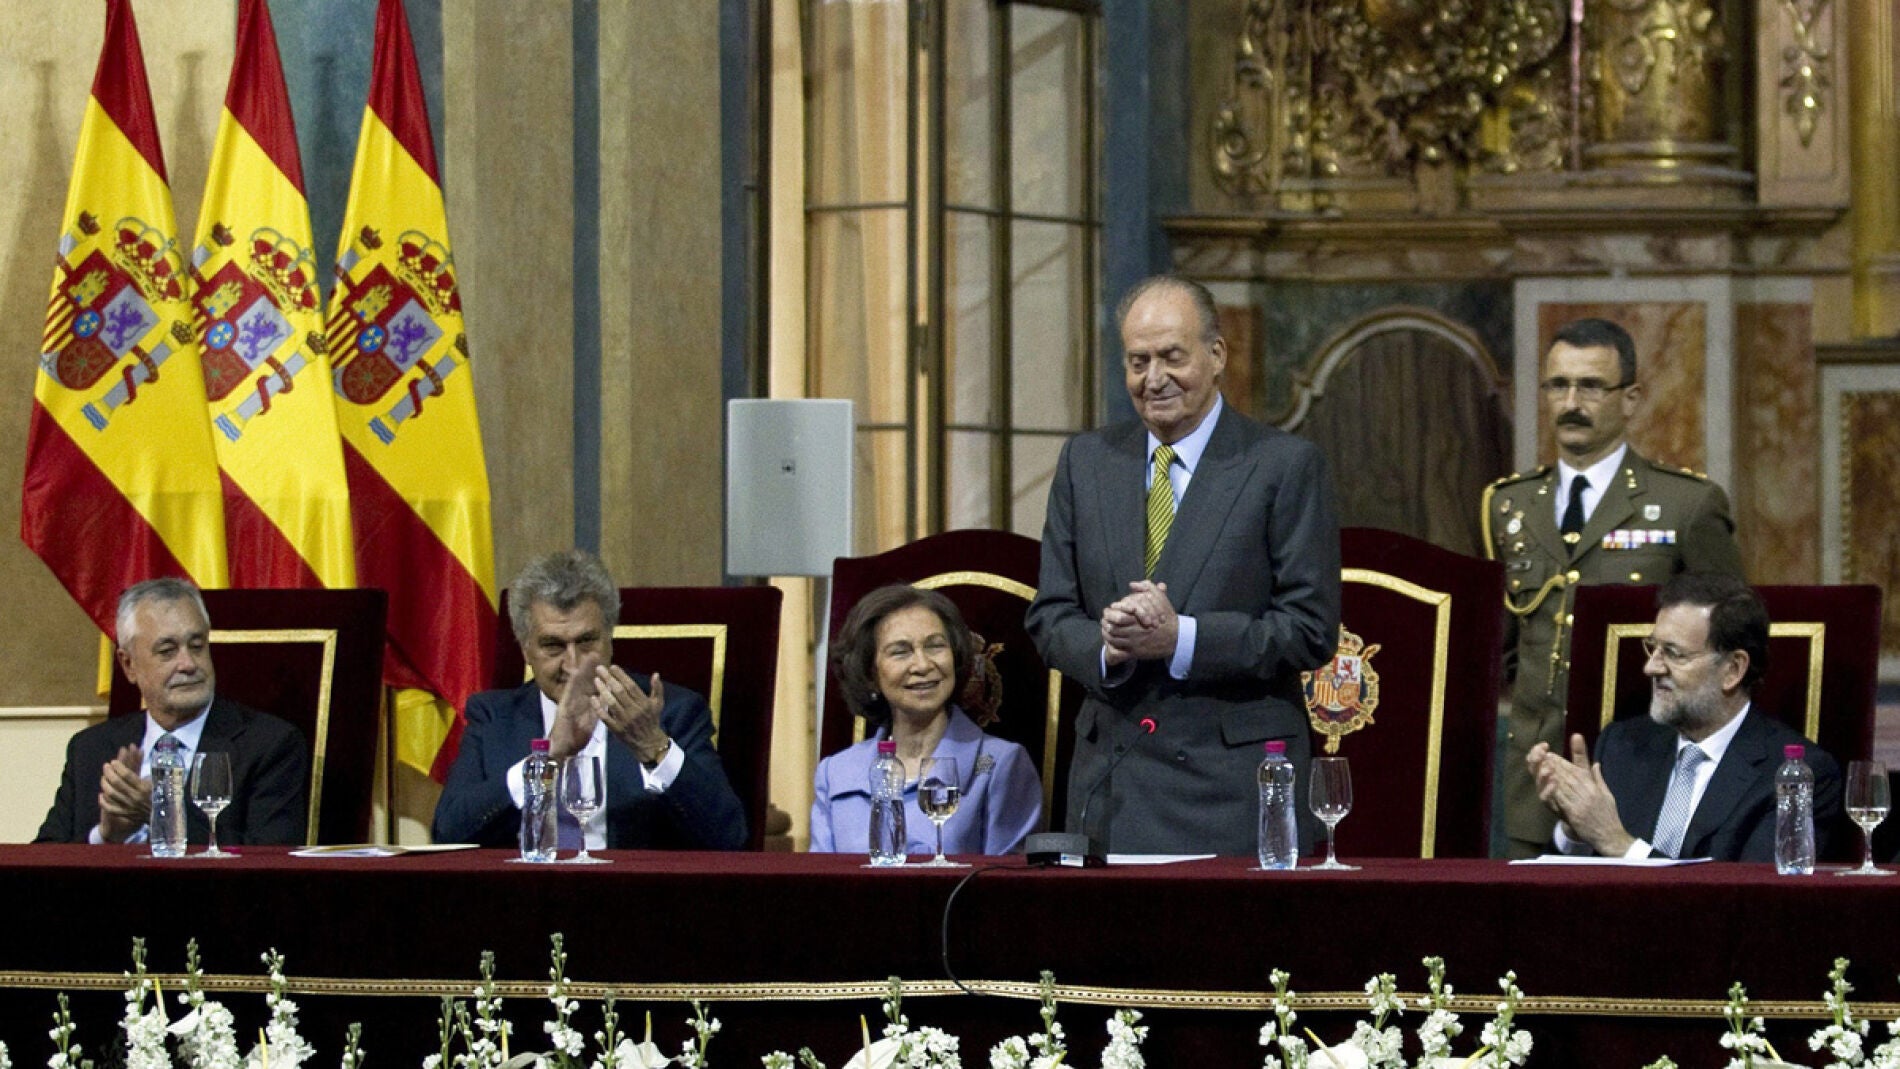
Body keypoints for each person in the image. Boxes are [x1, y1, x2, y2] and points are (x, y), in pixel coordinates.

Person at [1026, 274, 1340, 856]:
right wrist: (1107, 645)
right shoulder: (1086, 462)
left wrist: (1182, 638)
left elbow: (1310, 629)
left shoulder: (1282, 466)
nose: (1154, 379)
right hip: (1112, 788)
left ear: (1216, 354)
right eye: (1137, 361)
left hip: (1235, 787)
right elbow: (1049, 615)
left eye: (1172, 356)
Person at [1484, 317, 1745, 858]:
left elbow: (1731, 643)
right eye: (1558, 385)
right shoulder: (1509, 505)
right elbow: (1503, 648)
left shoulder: (1686, 505)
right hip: (1534, 782)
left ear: (1630, 398)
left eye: (1591, 386)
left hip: (1645, 778)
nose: (1571, 401)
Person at [431, 550, 746, 850]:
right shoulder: (493, 716)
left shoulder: (671, 713)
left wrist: (652, 746)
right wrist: (546, 759)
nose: (573, 663)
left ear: (609, 637)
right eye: (553, 646)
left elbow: (729, 837)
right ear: (526, 649)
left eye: (586, 641)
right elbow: (448, 833)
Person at [1526, 574, 1841, 861]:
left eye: (1674, 654)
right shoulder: (1622, 745)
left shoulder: (1795, 776)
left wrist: (1619, 844)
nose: (1652, 668)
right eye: (1653, 649)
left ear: (1732, 669)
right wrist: (1573, 830)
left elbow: (1754, 900)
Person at [36, 578, 308, 845]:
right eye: (167, 651)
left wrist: (160, 815)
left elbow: (270, 859)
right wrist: (106, 836)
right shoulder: (90, 748)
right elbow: (43, 861)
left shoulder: (269, 746)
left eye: (197, 646)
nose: (188, 664)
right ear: (129, 665)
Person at [810, 585, 1043, 855]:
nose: (922, 665)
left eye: (935, 646)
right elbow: (817, 884)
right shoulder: (836, 773)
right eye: (900, 651)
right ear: (870, 673)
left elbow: (1010, 887)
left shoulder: (1001, 765)